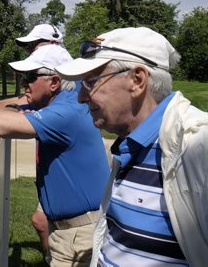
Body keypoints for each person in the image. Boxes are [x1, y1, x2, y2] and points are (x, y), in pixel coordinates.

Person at [55, 27, 208, 266]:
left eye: (91, 82)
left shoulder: (198, 146)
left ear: (137, 80)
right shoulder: (130, 144)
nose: (81, 97)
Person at [0, 45, 110, 266]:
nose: (22, 84)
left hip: (77, 236)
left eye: (29, 77)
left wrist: (20, 111)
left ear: (55, 82)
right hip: (74, 229)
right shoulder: (69, 100)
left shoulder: (62, 114)